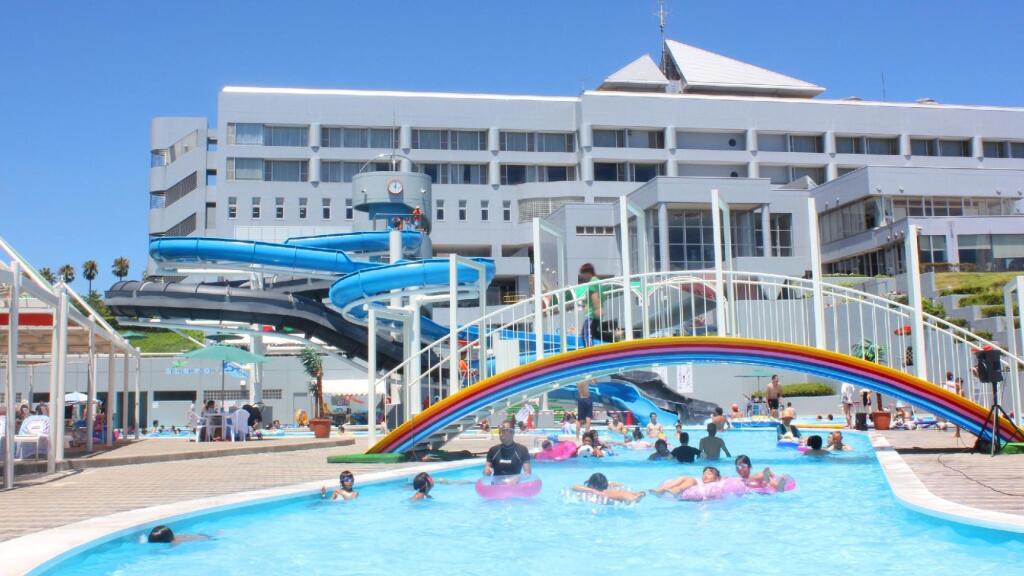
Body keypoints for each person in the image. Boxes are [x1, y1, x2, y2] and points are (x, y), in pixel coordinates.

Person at [578, 263, 607, 346]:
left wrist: (597, 308)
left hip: (592, 314)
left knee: (586, 334)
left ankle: (589, 350)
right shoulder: (598, 282)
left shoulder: (592, 282)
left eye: (583, 274)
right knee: (595, 333)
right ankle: (614, 338)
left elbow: (594, 296)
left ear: (588, 273)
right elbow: (601, 297)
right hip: (596, 314)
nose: (582, 276)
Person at [572, 473, 646, 504]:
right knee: (615, 493)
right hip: (607, 492)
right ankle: (634, 497)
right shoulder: (588, 488)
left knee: (609, 493)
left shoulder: (605, 488)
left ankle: (633, 497)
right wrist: (593, 491)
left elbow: (574, 487)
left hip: (607, 493)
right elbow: (574, 487)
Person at [652, 466, 722, 497]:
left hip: (692, 485)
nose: (705, 476)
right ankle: (661, 489)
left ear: (717, 478)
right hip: (690, 482)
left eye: (709, 474)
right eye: (704, 474)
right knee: (683, 477)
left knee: (691, 480)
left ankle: (677, 490)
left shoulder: (717, 485)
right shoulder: (700, 481)